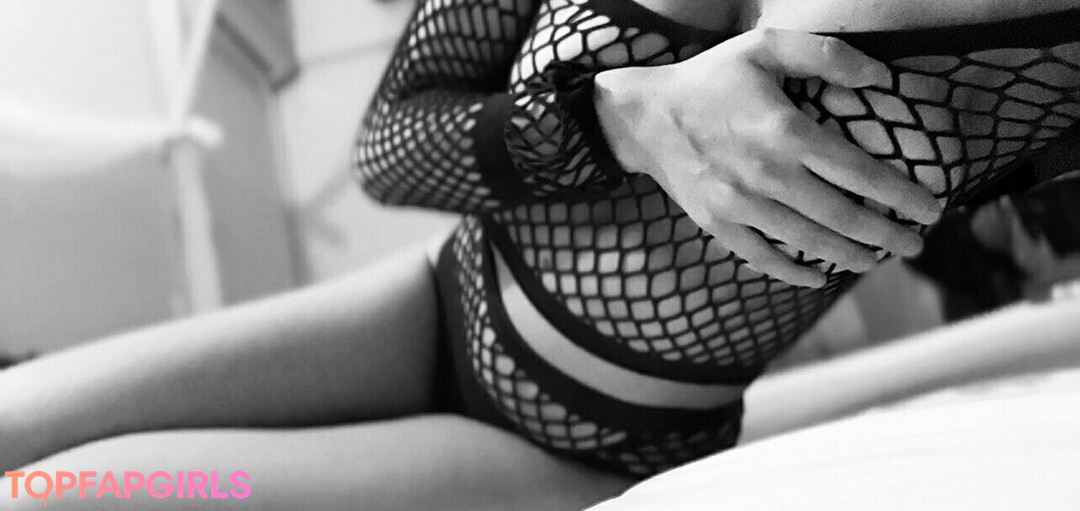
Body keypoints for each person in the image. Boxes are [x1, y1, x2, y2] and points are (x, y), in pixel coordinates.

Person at [2, 0, 1079, 509]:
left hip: (582, 441)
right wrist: (621, 115)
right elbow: (390, 147)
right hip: (432, 300)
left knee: (44, 496)